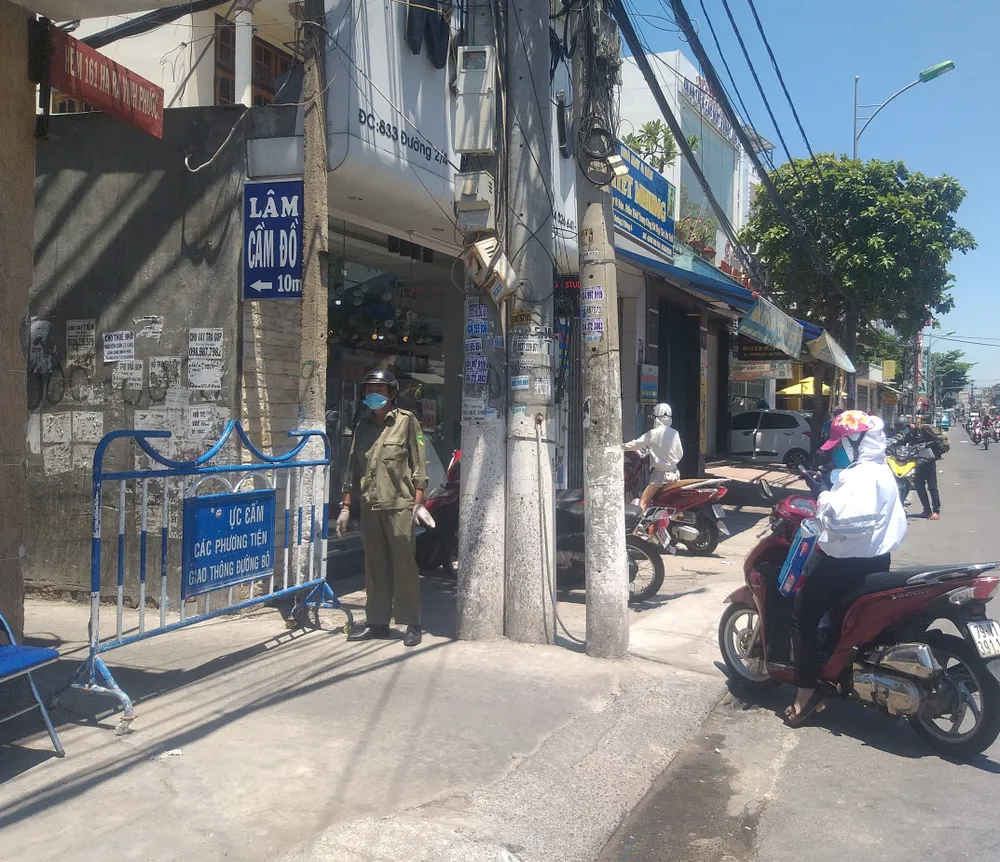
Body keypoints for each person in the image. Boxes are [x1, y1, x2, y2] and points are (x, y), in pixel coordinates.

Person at [786, 410, 907, 726]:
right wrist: (830, 484)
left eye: (839, 445)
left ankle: (805, 695)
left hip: (844, 564)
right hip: (877, 560)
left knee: (802, 613)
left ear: (855, 443)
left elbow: (844, 521)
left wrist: (823, 496)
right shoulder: (879, 470)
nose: (835, 451)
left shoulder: (860, 476)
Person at [336, 369, 436, 647]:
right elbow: (352, 469)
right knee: (374, 565)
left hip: (400, 506)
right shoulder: (362, 427)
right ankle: (378, 623)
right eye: (369, 390)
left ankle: (411, 623)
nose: (373, 395)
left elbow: (419, 464)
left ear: (392, 394)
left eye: (379, 390)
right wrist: (346, 506)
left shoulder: (406, 421)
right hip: (370, 506)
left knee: (404, 564)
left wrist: (418, 503)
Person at [623, 403, 683, 511]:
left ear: (656, 418)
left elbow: (635, 444)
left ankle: (640, 520)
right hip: (675, 474)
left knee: (644, 501)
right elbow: (680, 453)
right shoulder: (675, 433)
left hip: (659, 476)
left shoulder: (652, 433)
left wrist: (620, 447)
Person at [903, 419, 943, 520]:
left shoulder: (924, 429)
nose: (908, 428)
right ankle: (927, 510)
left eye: (908, 426)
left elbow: (937, 442)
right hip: (917, 462)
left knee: (932, 487)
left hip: (928, 461)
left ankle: (936, 511)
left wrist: (925, 445)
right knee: (919, 486)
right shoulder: (908, 433)